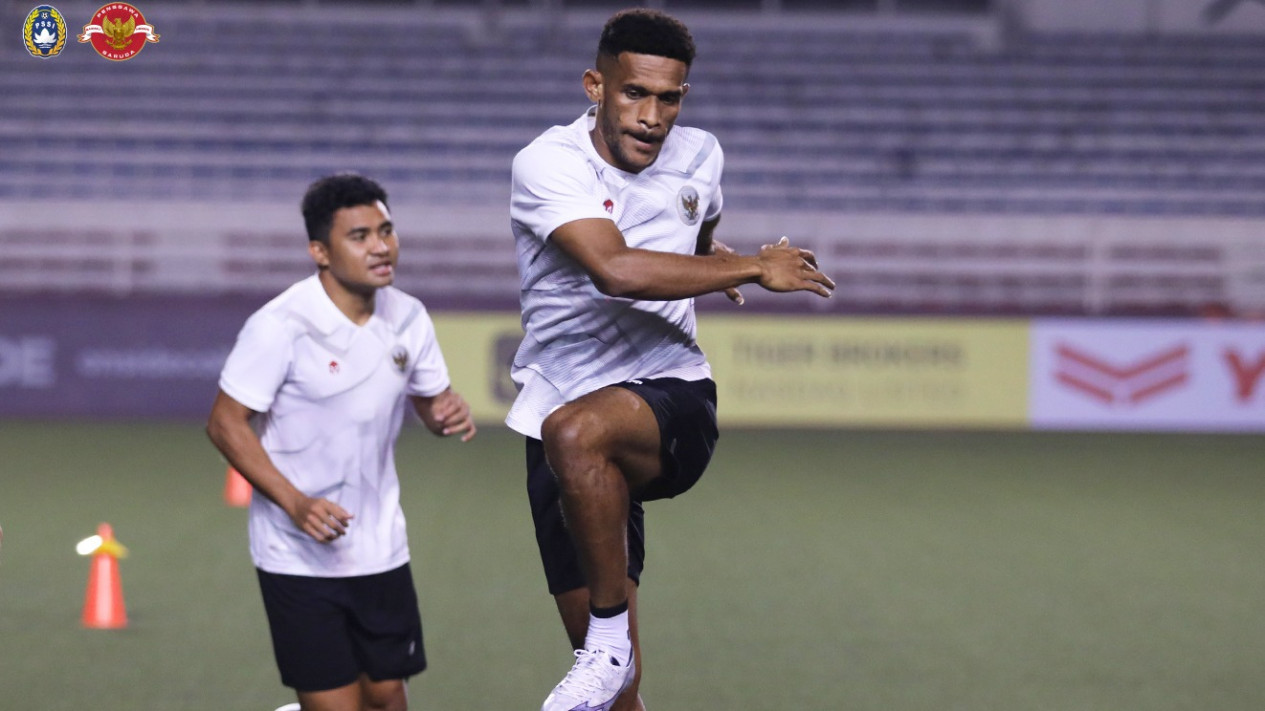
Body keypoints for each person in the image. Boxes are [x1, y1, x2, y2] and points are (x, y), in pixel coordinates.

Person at [507, 9, 836, 711]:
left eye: (669, 98)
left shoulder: (700, 154)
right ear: (596, 86)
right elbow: (615, 270)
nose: (653, 116)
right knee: (614, 694)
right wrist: (747, 268)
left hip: (670, 398)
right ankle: (608, 653)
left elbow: (700, 220)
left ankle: (606, 640)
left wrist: (714, 257)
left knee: (577, 432)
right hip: (558, 408)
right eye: (634, 94)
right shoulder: (548, 163)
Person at [206, 173, 476, 711]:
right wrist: (295, 503)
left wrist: (442, 413)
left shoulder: (410, 316)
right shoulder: (280, 326)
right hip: (298, 555)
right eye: (360, 236)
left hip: (380, 545)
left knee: (386, 698)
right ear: (320, 252)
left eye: (387, 230)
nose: (381, 246)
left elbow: (430, 401)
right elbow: (225, 423)